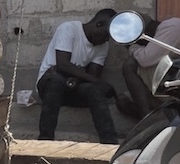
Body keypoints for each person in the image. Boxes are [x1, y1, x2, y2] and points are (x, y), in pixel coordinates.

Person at [35, 9, 119, 144]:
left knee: (94, 90)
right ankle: (45, 140)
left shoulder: (103, 46)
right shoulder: (69, 29)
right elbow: (62, 64)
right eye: (106, 35)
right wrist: (95, 80)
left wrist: (79, 79)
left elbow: (92, 75)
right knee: (56, 80)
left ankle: (110, 142)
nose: (106, 39)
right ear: (99, 24)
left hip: (73, 87)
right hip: (48, 86)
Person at [116, 15, 180, 120]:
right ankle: (155, 122)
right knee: (123, 100)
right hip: (176, 80)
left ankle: (146, 118)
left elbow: (145, 59)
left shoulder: (171, 26)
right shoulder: (169, 29)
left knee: (130, 65)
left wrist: (132, 47)